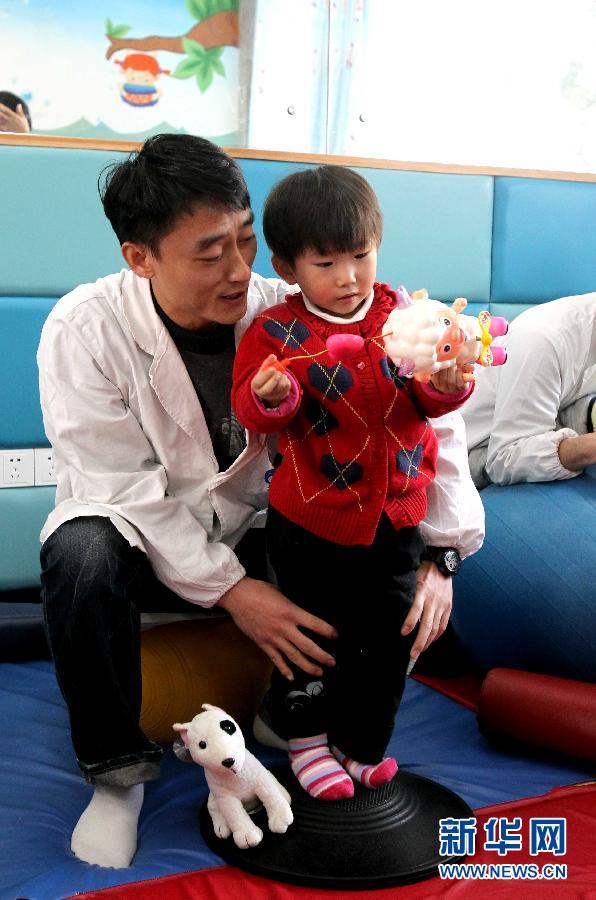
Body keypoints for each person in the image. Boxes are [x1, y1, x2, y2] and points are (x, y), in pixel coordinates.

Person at [37, 135, 483, 867]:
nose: (240, 270)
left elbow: (423, 425)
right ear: (140, 258)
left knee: (378, 568)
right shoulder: (84, 329)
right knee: (81, 551)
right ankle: (116, 776)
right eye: (210, 253)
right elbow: (118, 486)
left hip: (270, 534)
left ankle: (296, 716)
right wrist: (236, 593)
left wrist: (443, 556)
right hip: (147, 544)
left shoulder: (299, 307)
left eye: (245, 241)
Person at [231, 166, 475, 801]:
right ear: (287, 268)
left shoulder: (405, 316)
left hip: (397, 519)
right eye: (326, 263)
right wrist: (273, 396)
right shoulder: (275, 331)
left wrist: (448, 386)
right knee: (314, 639)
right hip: (310, 523)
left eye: (361, 256)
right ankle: (307, 742)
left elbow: (427, 401)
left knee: (388, 642)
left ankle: (362, 745)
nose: (348, 277)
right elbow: (255, 410)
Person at [463, 293, 596, 487]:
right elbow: (503, 460)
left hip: (534, 433)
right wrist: (588, 447)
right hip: (461, 461)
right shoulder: (544, 340)